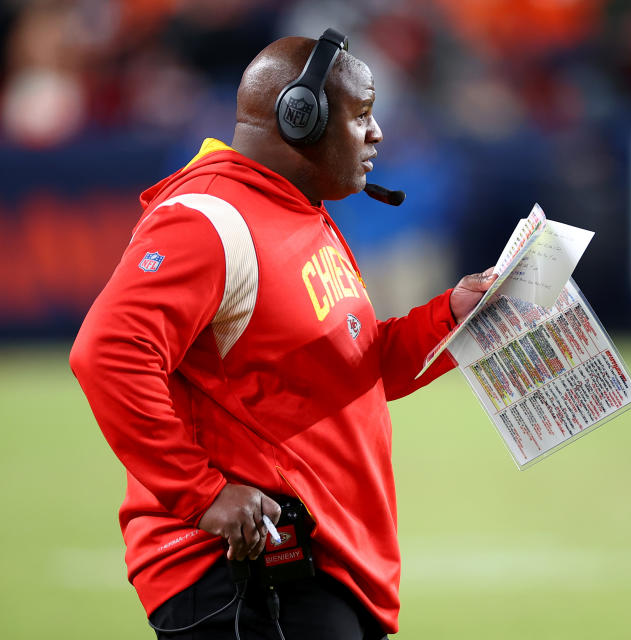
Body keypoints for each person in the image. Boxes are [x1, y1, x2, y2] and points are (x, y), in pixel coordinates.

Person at [69, 32, 495, 639]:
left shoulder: (297, 210)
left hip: (315, 567)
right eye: (363, 116)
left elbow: (353, 368)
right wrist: (201, 494)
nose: (377, 135)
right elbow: (107, 352)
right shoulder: (209, 217)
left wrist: (455, 315)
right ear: (300, 118)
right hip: (246, 575)